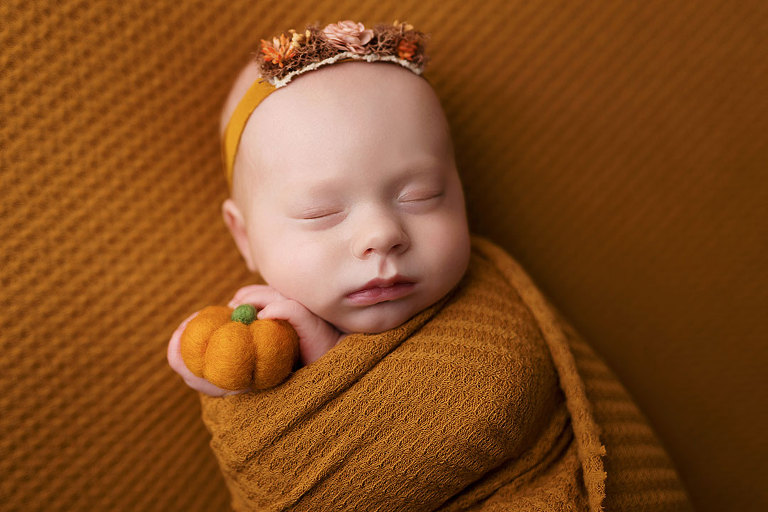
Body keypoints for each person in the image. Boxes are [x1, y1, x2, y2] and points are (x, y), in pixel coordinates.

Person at [167, 20, 471, 396]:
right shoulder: (263, 337)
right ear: (244, 237)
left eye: (419, 195)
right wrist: (235, 382)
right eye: (320, 212)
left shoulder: (484, 314)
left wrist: (330, 357)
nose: (381, 234)